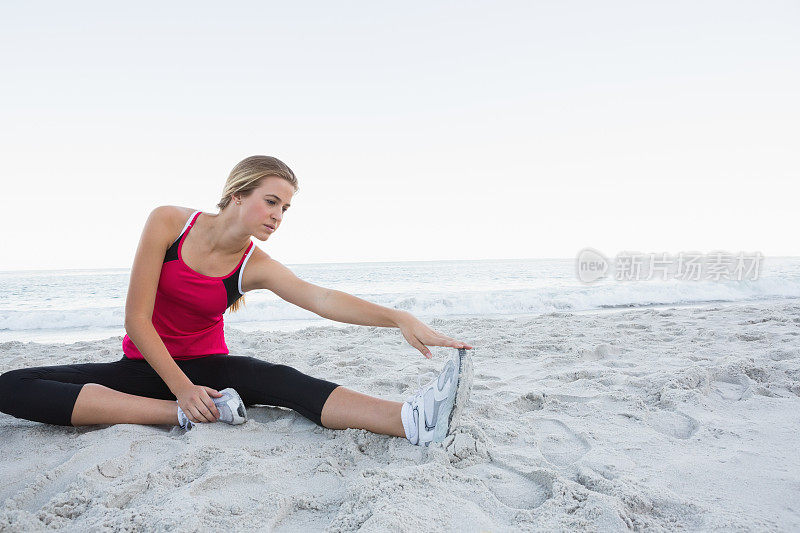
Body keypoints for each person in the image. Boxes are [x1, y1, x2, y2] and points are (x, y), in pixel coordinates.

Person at [0, 155, 474, 446]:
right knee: (11, 385)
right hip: (145, 367)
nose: (278, 215)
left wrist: (397, 317)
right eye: (271, 201)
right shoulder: (168, 223)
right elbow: (137, 320)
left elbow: (322, 298)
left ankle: (409, 420)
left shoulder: (255, 264)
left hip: (211, 369)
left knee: (280, 381)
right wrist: (182, 396)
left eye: (285, 208)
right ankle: (179, 416)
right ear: (237, 192)